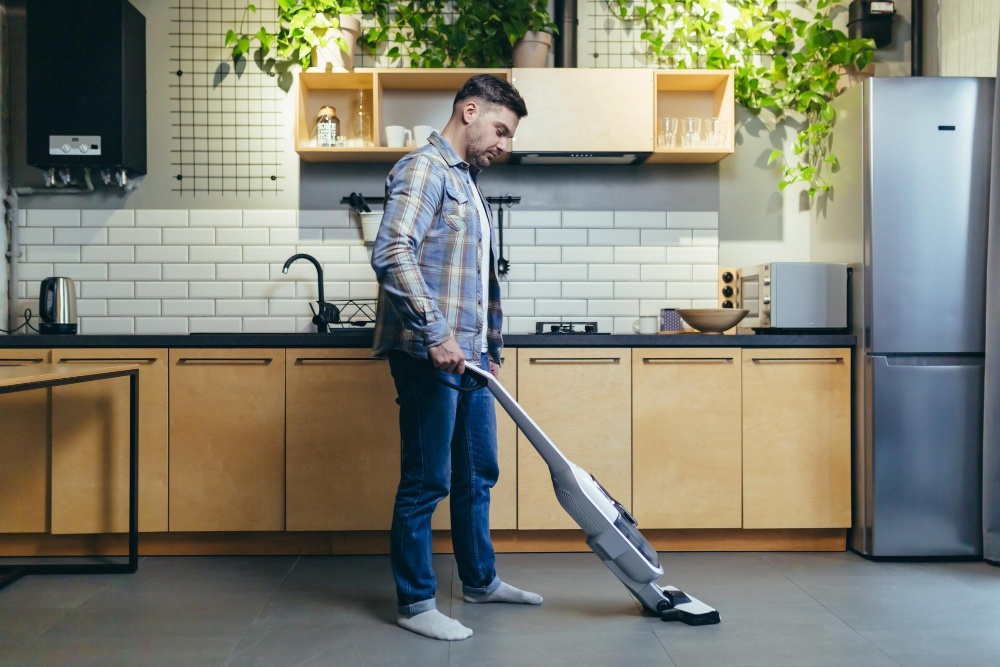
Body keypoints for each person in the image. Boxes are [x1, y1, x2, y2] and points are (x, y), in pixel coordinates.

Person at [370, 75, 541, 641]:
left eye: (510, 136)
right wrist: (438, 332)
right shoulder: (424, 168)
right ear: (470, 111)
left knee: (478, 473)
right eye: (500, 129)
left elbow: (476, 277)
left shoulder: (468, 183)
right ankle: (415, 603)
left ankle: (480, 580)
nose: (504, 145)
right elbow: (393, 251)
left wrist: (488, 349)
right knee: (427, 478)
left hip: (469, 359)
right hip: (428, 353)